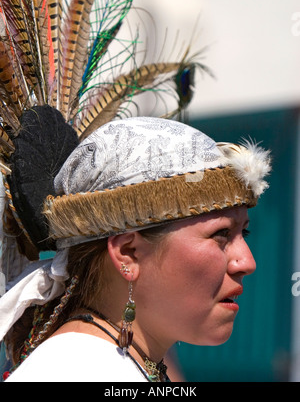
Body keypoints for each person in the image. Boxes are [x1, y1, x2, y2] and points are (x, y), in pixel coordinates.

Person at [0, 115, 271, 382]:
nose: (247, 262)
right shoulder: (78, 370)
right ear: (128, 253)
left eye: (243, 232)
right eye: (221, 234)